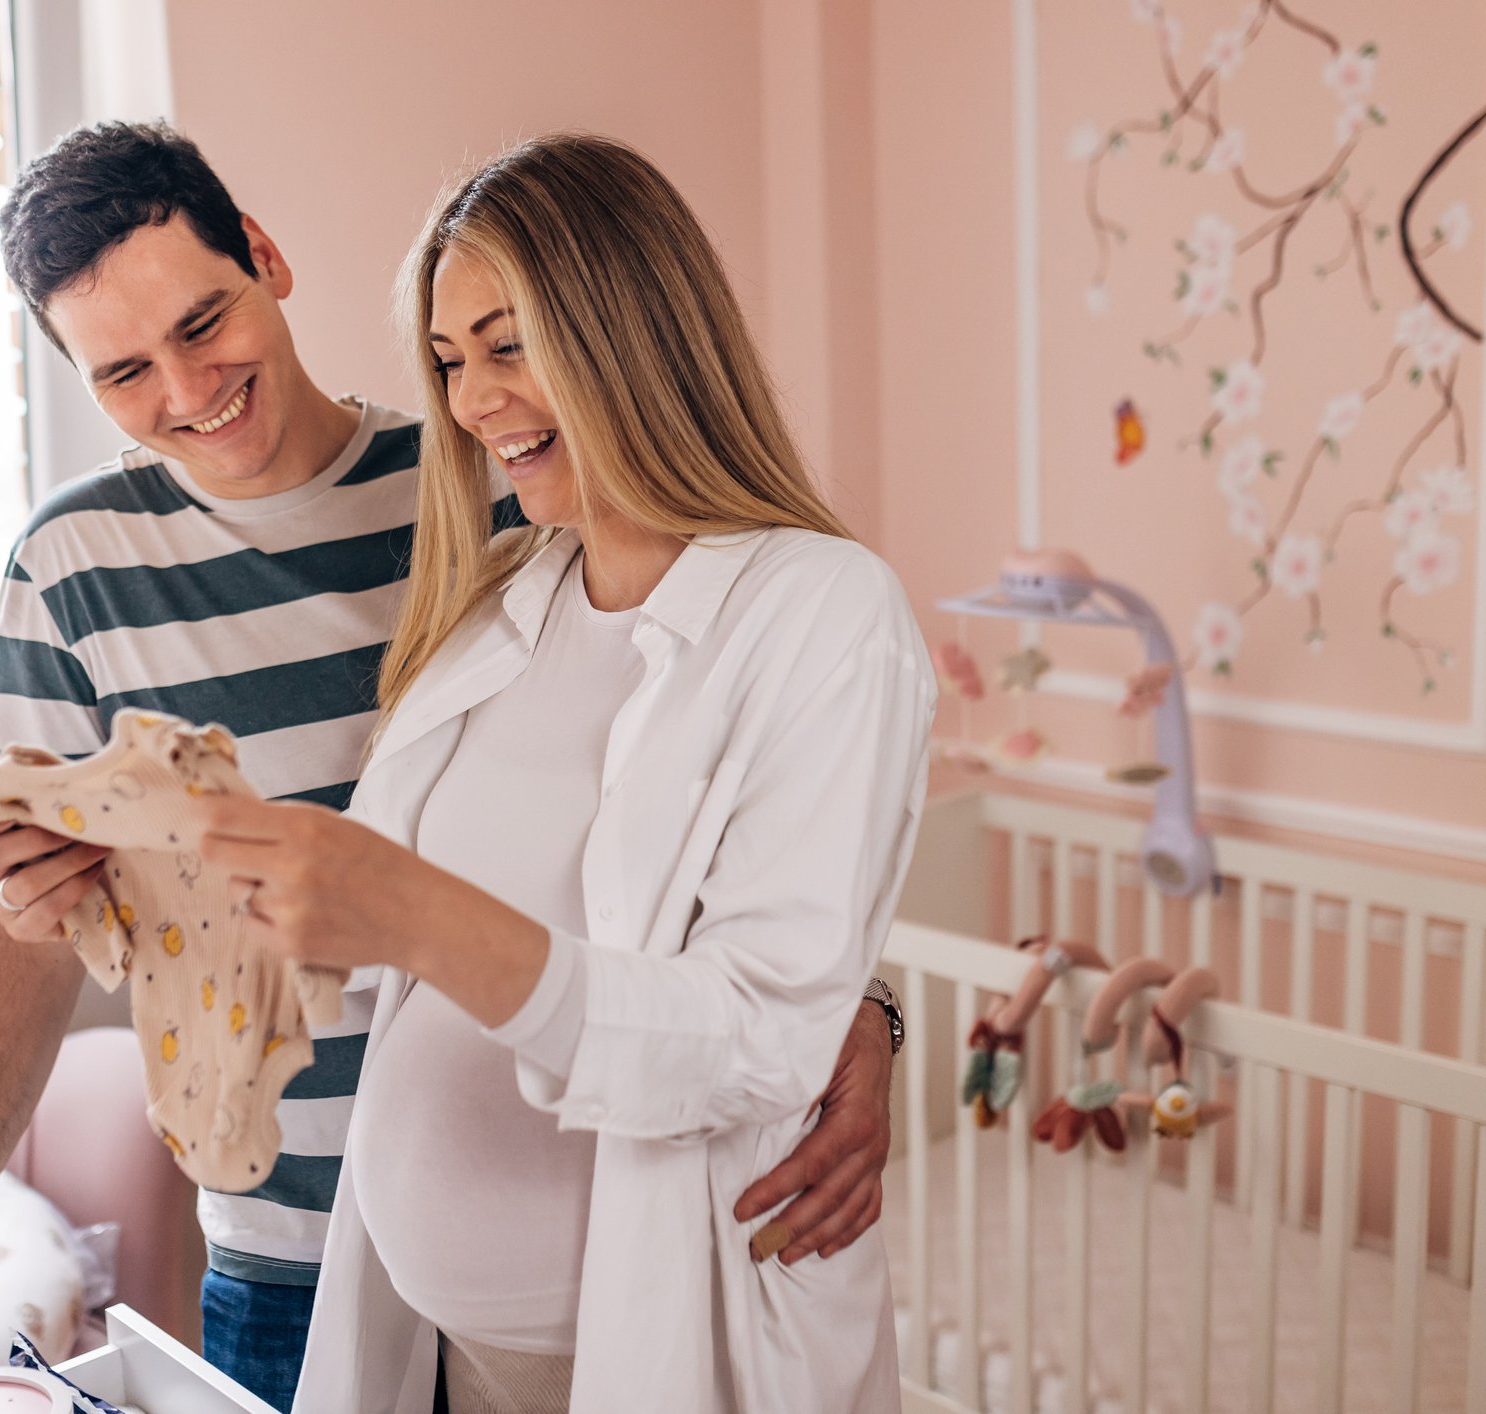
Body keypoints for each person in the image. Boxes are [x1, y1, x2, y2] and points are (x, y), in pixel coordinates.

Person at [0, 122, 905, 1412]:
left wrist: (861, 1013)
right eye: (122, 373)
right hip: (292, 1262)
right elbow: (26, 922)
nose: (184, 389)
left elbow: (747, 828)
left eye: (203, 321)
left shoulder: (505, 503)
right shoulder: (76, 570)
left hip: (606, 1248)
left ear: (266, 260)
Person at [194, 133, 933, 1413]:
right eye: (445, 361)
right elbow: (376, 973)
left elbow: (756, 1032)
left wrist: (415, 911)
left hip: (657, 1337)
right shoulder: (499, 607)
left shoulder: (822, 610)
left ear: (628, 332)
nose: (470, 401)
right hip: (441, 1347)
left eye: (504, 343)